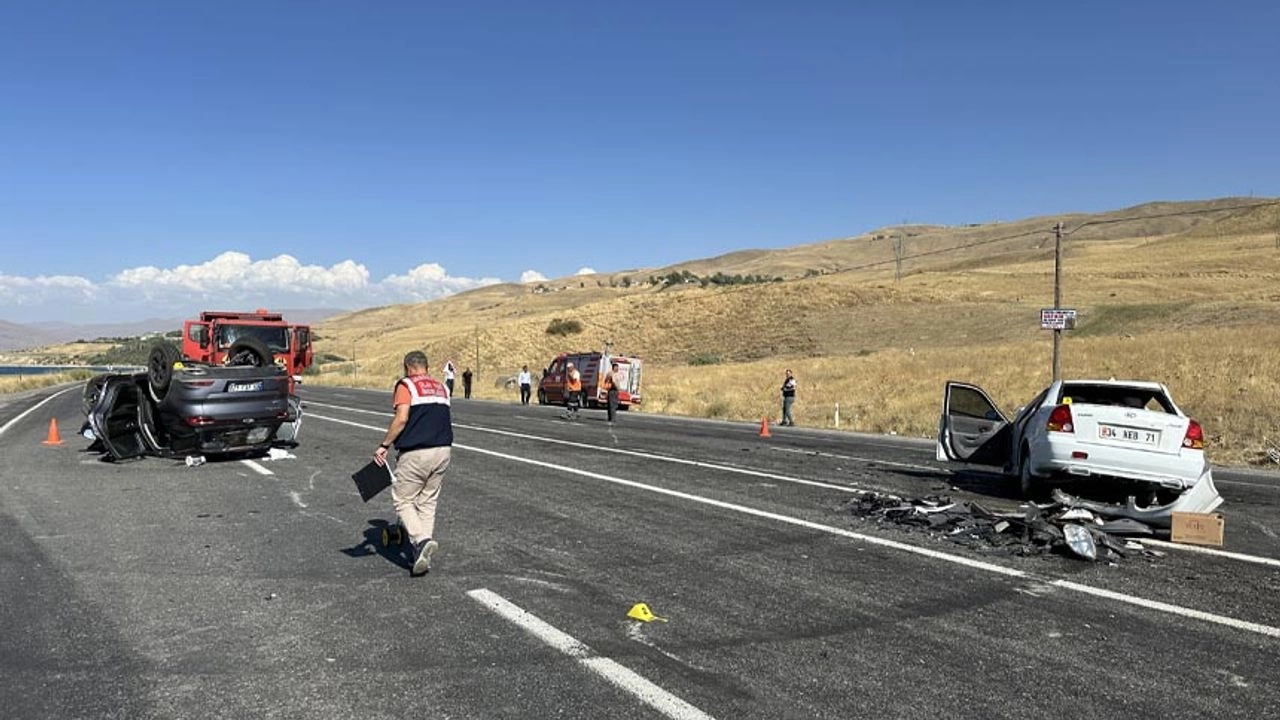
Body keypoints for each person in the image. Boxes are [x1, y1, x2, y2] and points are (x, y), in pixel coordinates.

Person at [373, 350, 453, 577]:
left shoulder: (406, 385)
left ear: (408, 367)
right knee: (427, 502)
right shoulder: (441, 387)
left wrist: (385, 444)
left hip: (417, 452)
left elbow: (402, 418)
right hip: (443, 450)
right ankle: (422, 555)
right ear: (426, 367)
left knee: (403, 499)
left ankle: (420, 541)